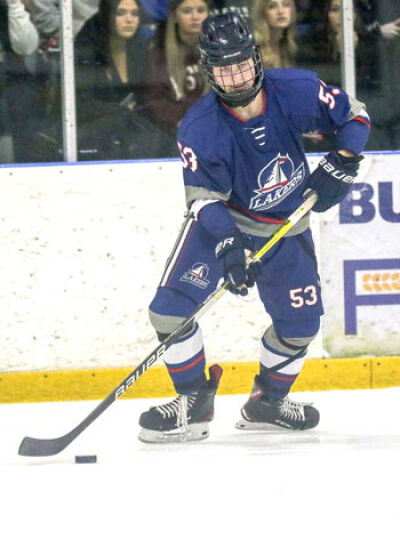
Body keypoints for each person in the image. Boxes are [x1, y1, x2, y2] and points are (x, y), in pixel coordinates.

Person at [137, 13, 370, 443]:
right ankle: (193, 402)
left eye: (241, 63)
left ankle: (267, 403)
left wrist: (344, 161)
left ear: (256, 59)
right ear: (209, 70)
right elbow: (205, 200)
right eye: (224, 67)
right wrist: (229, 246)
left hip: (287, 223)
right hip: (227, 224)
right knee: (168, 311)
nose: (236, 76)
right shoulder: (200, 127)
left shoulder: (294, 89)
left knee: (299, 327)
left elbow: (355, 117)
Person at [74, 0, 161, 160]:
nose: (129, 20)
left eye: (134, 14)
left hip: (132, 136)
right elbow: (80, 104)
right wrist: (119, 111)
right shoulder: (87, 51)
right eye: (121, 13)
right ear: (107, 16)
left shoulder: (140, 50)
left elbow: (150, 95)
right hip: (92, 138)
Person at [144, 0, 210, 157]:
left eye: (201, 10)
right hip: (173, 138)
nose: (195, 17)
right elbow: (155, 101)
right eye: (187, 11)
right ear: (174, 15)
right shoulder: (157, 52)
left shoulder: (221, 49)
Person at [252, 0, 297, 68]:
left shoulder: (291, 46)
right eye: (272, 6)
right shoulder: (253, 50)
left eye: (286, 5)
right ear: (263, 13)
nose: (281, 11)